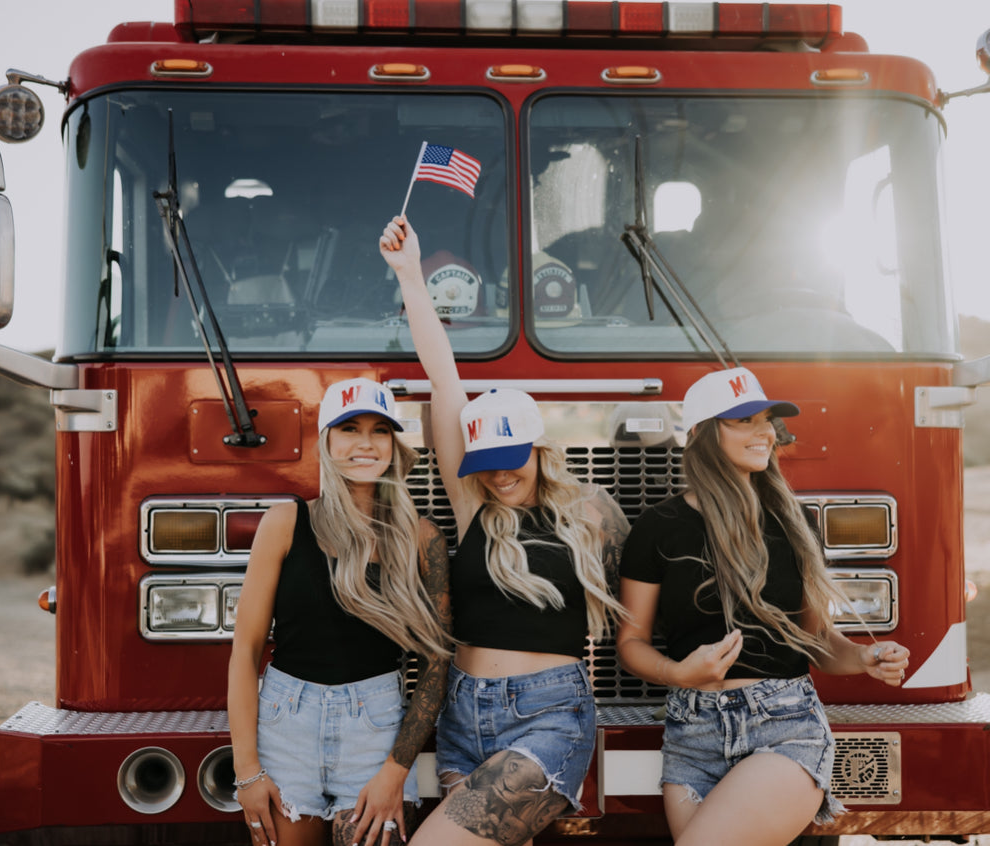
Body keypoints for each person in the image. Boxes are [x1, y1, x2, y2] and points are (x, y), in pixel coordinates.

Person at [379, 216, 630, 846]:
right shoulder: (475, 508)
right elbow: (443, 377)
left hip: (549, 714)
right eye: (484, 464)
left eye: (510, 459)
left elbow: (649, 595)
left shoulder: (590, 513)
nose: (497, 475)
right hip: (465, 716)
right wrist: (410, 275)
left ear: (540, 449)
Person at [615, 367, 911, 846]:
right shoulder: (657, 527)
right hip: (692, 737)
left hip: (783, 727)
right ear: (701, 434)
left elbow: (816, 641)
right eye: (744, 421)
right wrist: (678, 673)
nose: (765, 432)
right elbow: (631, 643)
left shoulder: (794, 524)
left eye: (767, 420)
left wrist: (864, 657)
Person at [227, 377, 453, 846]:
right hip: (286, 722)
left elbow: (436, 666)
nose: (365, 444)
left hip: (376, 729)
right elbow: (245, 652)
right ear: (326, 441)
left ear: (394, 444)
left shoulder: (421, 538)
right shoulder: (286, 523)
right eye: (350, 429)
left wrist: (395, 770)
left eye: (380, 431)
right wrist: (247, 771)